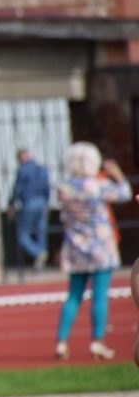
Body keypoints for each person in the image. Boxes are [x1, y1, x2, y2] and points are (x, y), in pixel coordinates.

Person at [53, 143, 131, 361]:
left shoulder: (64, 188)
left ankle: (61, 341)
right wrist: (117, 175)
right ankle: (97, 341)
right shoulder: (98, 185)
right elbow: (125, 193)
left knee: (73, 296)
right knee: (99, 297)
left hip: (76, 247)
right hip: (100, 246)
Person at [8, 148, 50, 270]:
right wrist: (47, 202)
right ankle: (40, 262)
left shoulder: (23, 169)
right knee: (40, 232)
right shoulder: (41, 168)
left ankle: (38, 253)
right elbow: (46, 187)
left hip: (29, 203)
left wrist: (11, 204)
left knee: (22, 234)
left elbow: (18, 188)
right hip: (41, 202)